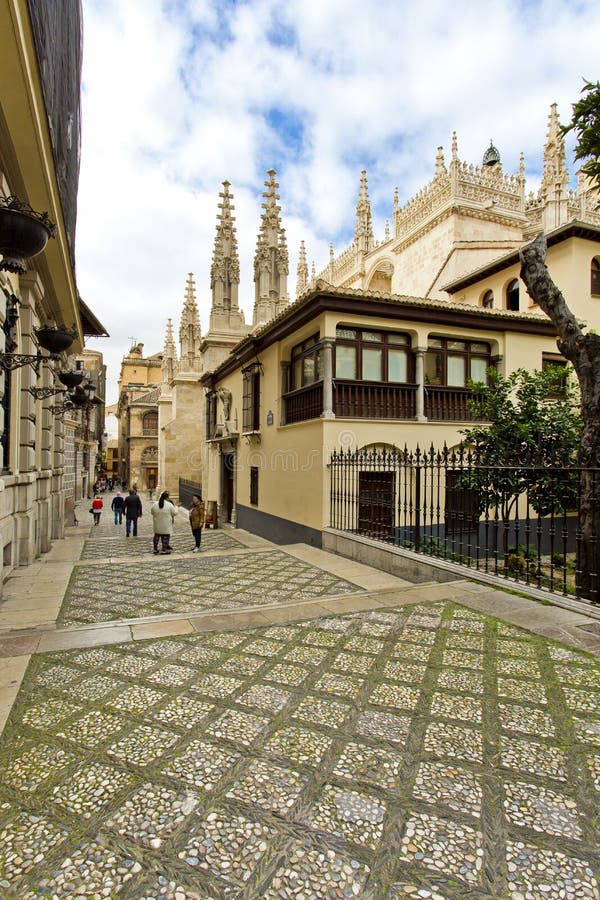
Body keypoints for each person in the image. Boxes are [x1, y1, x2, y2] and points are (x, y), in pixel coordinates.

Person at [150, 490, 176, 554]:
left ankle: (155, 549)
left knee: (156, 536)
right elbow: (174, 513)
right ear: (167, 497)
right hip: (166, 524)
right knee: (166, 537)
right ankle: (164, 549)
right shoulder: (169, 504)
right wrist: (177, 507)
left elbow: (152, 512)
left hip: (157, 523)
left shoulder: (155, 504)